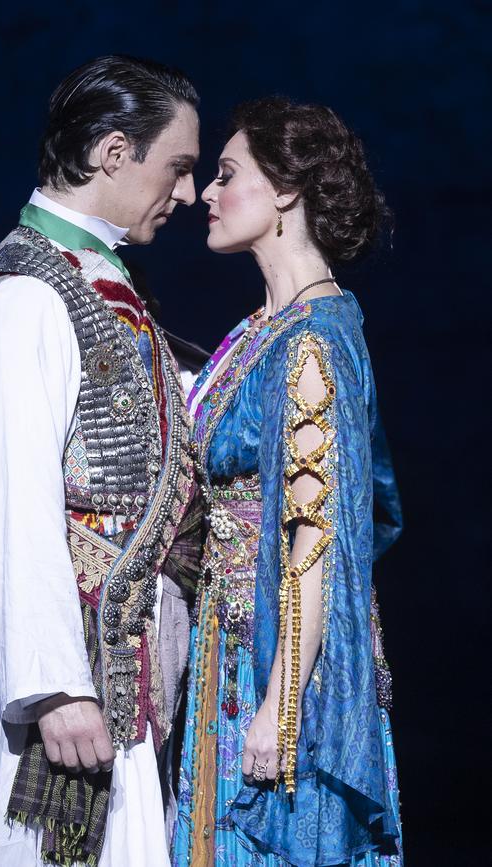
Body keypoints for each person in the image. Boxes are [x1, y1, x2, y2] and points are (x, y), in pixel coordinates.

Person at [0, 55, 201, 867]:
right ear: (113, 154)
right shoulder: (28, 294)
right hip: (60, 662)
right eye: (176, 168)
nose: (186, 193)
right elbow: (9, 498)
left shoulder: (99, 282)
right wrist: (55, 686)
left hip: (113, 657)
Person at [172, 97, 403, 866]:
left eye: (227, 174)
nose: (206, 191)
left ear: (286, 191)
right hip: (229, 640)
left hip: (276, 655)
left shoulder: (312, 341)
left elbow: (319, 532)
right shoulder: (263, 327)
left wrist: (282, 700)